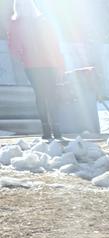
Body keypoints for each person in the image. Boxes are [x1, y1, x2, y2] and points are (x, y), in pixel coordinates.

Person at [7, 0, 65, 140]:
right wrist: (59, 64)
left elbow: (14, 46)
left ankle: (48, 130)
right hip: (43, 64)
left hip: (36, 64)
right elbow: (54, 44)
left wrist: (23, 55)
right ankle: (54, 129)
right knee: (49, 95)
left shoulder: (19, 23)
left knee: (42, 95)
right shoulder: (40, 22)